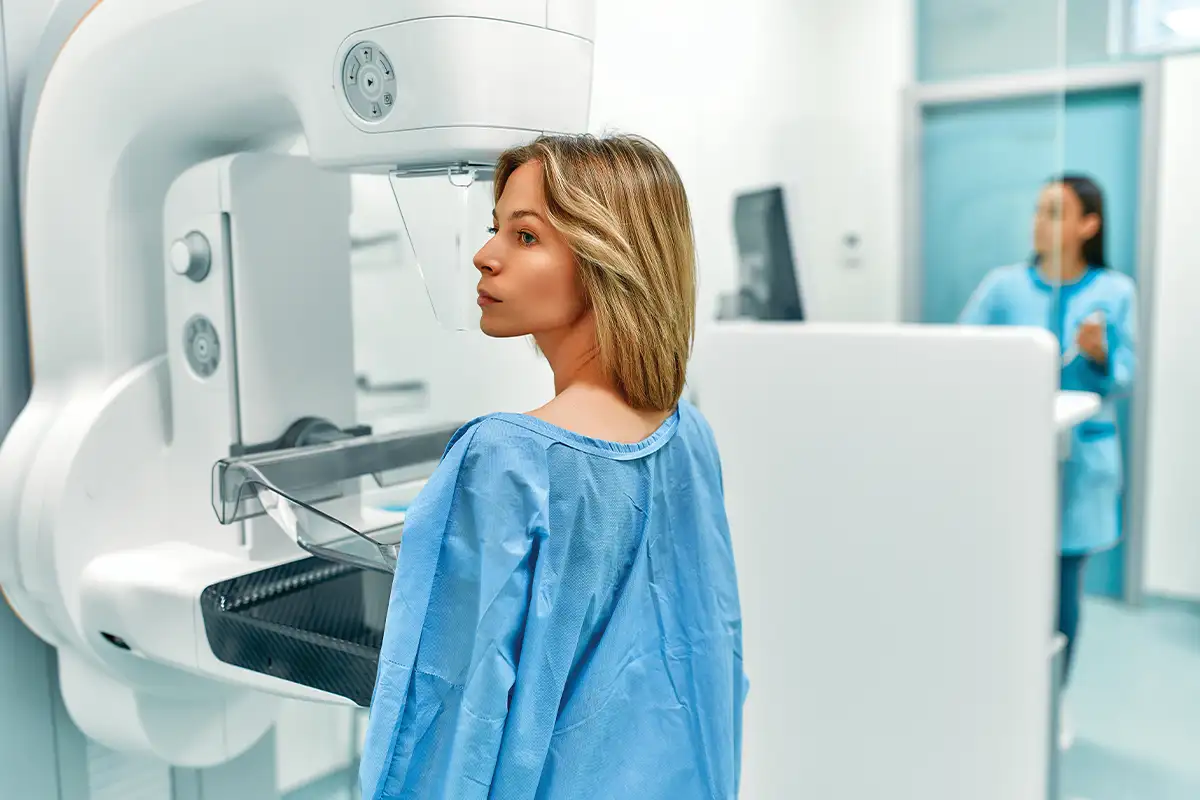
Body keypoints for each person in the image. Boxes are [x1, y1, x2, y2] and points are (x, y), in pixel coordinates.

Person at [358, 133, 747, 799]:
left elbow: (449, 723)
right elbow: (714, 663)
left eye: (526, 237)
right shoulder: (690, 437)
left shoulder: (505, 461)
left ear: (606, 260)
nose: (485, 256)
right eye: (494, 229)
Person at [958, 174, 1137, 749]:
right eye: (1039, 210)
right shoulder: (1003, 287)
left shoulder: (1114, 291)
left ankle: (1052, 701)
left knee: (1062, 591)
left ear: (1089, 225)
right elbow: (961, 355)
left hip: (1079, 467)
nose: (1041, 222)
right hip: (1006, 461)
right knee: (999, 584)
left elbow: (1126, 376)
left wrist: (1101, 354)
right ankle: (1001, 699)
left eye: (1056, 212)